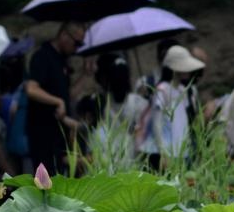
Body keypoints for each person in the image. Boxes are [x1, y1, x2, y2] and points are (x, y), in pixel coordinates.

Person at [25, 22, 86, 174]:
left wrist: (86, 74)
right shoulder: (43, 56)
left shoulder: (61, 60)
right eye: (76, 42)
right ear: (64, 36)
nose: (76, 48)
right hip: (44, 135)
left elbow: (66, 95)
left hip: (60, 135)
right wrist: (57, 101)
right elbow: (31, 89)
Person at [139, 45, 205, 169]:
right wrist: (163, 152)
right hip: (164, 151)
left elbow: (183, 121)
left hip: (180, 150)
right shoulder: (163, 90)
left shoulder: (182, 90)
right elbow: (156, 123)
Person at [92, 54, 148, 168]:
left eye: (121, 78)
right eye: (116, 78)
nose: (119, 83)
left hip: (133, 155)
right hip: (108, 154)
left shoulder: (138, 103)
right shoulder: (102, 103)